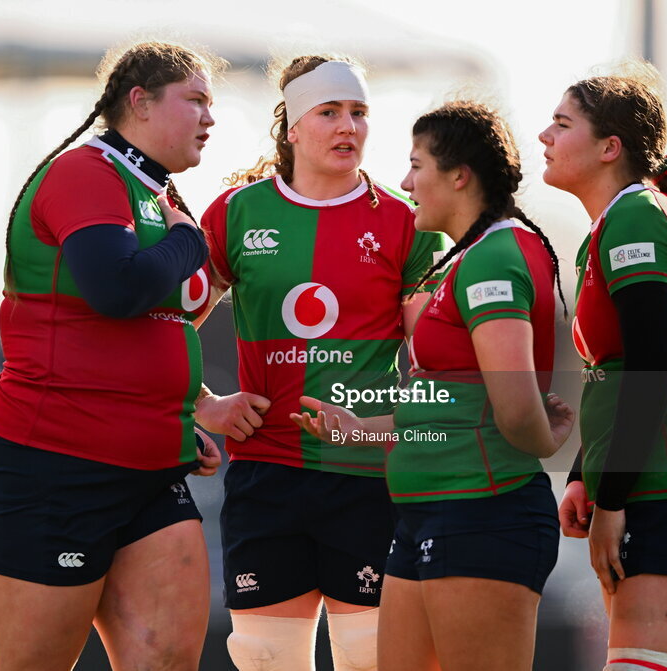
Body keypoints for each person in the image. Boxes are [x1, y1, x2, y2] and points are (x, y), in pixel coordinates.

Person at [293, 100, 575, 671]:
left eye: (416, 164)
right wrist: (356, 432)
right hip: (427, 513)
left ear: (459, 176)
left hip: (482, 511)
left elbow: (516, 407)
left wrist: (545, 441)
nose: (405, 181)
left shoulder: (496, 254)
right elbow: (442, 409)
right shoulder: (460, 260)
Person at [0, 40, 226, 671]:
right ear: (138, 103)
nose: (209, 119)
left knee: (167, 661)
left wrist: (177, 408)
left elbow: (165, 321)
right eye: (194, 100)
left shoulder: (156, 194)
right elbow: (116, 291)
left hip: (152, 470)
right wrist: (189, 244)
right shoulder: (85, 173)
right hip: (55, 468)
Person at [194, 55, 445, 670]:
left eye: (359, 113)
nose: (347, 127)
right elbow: (166, 324)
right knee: (264, 660)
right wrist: (203, 406)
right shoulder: (236, 213)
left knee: (372, 661)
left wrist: (398, 435)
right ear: (292, 128)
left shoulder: (406, 224)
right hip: (264, 475)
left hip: (369, 479)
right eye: (329, 112)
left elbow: (436, 365)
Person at [539, 63, 667, 671]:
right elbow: (618, 373)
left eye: (560, 123)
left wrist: (612, 499)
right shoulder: (617, 223)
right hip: (654, 490)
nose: (544, 137)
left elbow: (655, 369)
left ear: (609, 147)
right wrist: (585, 473)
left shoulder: (637, 217)